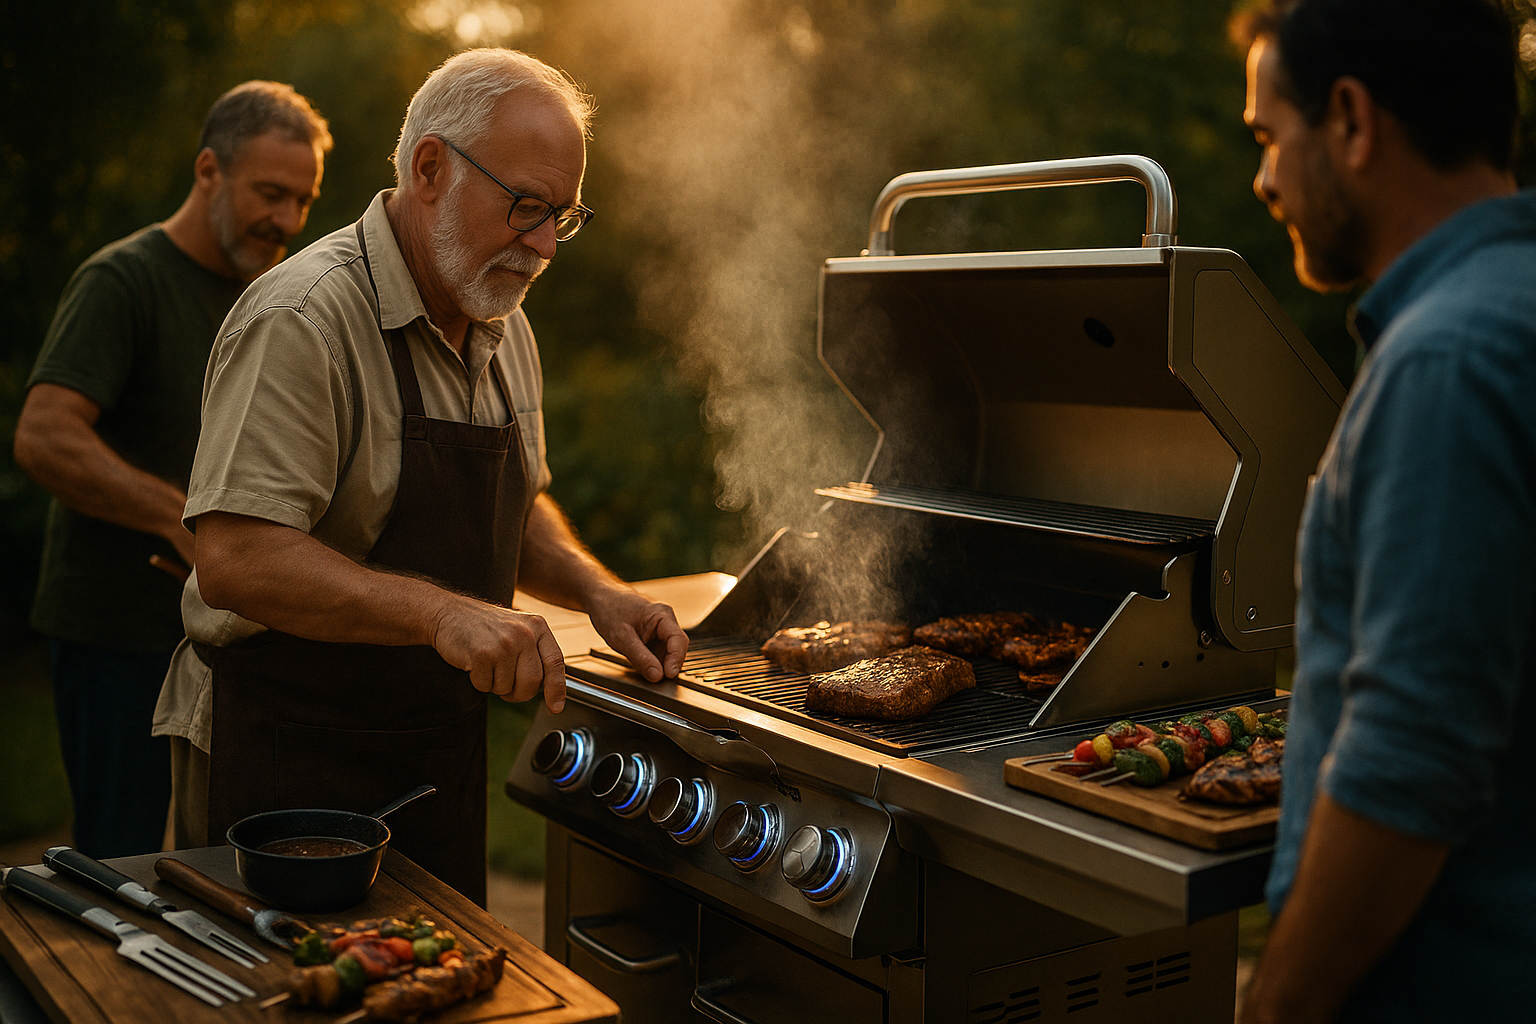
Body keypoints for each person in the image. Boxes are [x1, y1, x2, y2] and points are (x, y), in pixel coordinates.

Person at [151, 48, 688, 906]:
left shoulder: (504, 323)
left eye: (563, 216)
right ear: (431, 168)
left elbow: (519, 508)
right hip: (284, 757)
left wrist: (597, 591)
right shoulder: (303, 318)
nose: (546, 245)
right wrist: (443, 614)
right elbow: (236, 559)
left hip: (432, 755)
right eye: (525, 206)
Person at [1230, 1, 1535, 1020]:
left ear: (1352, 121)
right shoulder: (1513, 308)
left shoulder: (1445, 359)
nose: (1264, 179)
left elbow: (1412, 760)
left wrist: (1276, 1005)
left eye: (1272, 137)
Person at [13, 82, 331, 859]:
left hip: (224, 634)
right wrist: (181, 516)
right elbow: (44, 436)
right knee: (117, 858)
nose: (287, 220)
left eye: (302, 199)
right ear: (207, 171)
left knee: (220, 850)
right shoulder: (123, 281)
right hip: (113, 631)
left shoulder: (271, 295)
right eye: (269, 193)